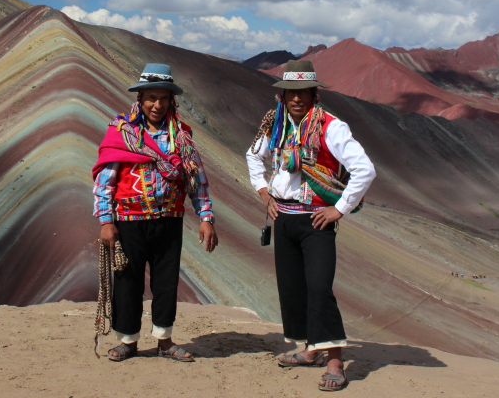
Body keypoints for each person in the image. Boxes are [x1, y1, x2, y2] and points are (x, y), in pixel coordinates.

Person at [246, 59, 375, 391]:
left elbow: (364, 169)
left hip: (316, 218)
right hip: (284, 217)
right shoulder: (275, 124)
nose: (297, 98)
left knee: (319, 287)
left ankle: (334, 359)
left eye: (303, 92)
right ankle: (309, 351)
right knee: (293, 289)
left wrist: (339, 209)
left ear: (314, 94)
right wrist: (264, 193)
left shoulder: (332, 127)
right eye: (291, 92)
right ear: (283, 96)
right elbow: (253, 156)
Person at [92, 63, 218, 362]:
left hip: (168, 221)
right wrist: (106, 221)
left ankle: (164, 340)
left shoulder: (182, 137)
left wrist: (206, 217)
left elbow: (196, 179)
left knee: (165, 281)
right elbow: (104, 181)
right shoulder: (122, 133)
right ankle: (128, 340)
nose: (157, 105)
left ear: (171, 101)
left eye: (163, 99)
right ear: (140, 100)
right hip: (129, 222)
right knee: (127, 281)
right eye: (151, 98)